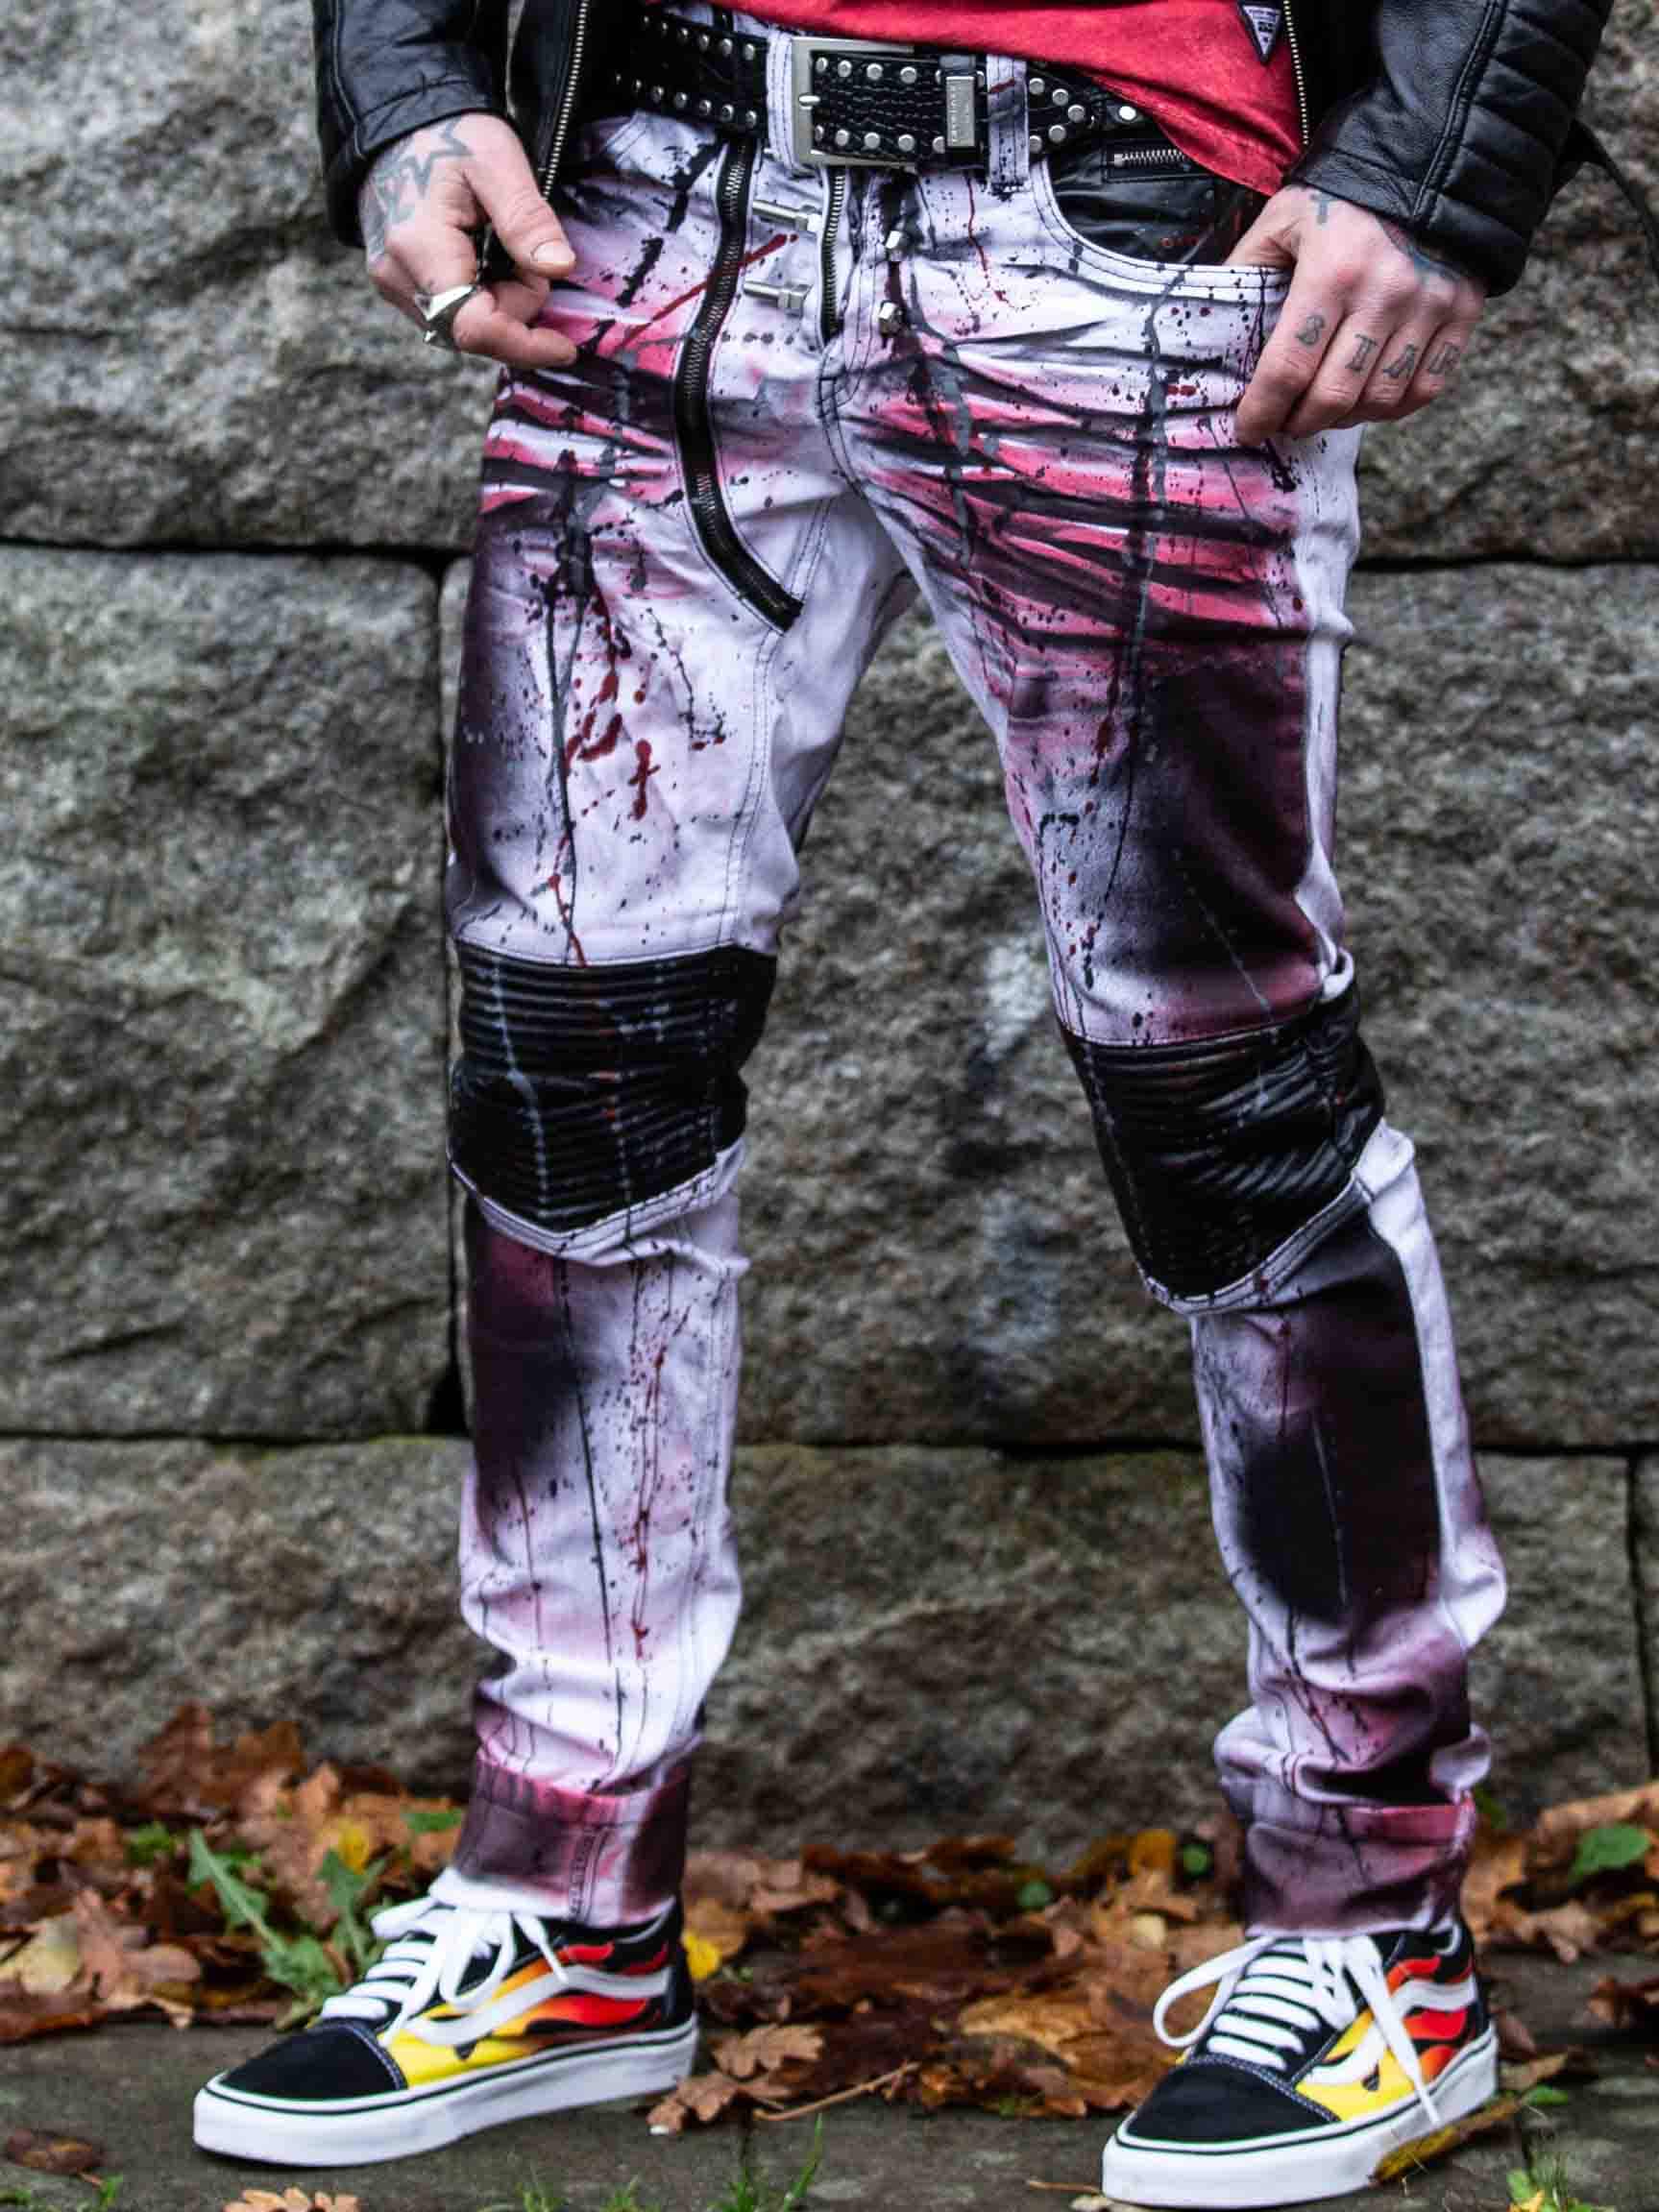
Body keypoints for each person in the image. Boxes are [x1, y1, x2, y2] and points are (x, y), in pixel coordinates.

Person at [193, 0, 1629, 2199]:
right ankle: (569, 1900)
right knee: (571, 1070)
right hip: (645, 208)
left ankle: (1373, 1929)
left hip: (1132, 218)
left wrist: (1440, 156)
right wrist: (400, 79)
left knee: (1224, 1091)